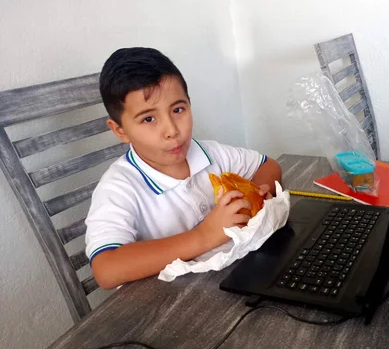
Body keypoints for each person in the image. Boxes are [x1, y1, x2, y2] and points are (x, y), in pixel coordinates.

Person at [85, 47, 282, 289]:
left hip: (235, 279)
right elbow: (106, 269)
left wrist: (259, 191)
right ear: (120, 130)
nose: (172, 130)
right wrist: (205, 235)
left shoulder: (211, 153)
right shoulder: (119, 188)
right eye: (149, 119)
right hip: (170, 307)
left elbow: (267, 165)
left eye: (178, 110)